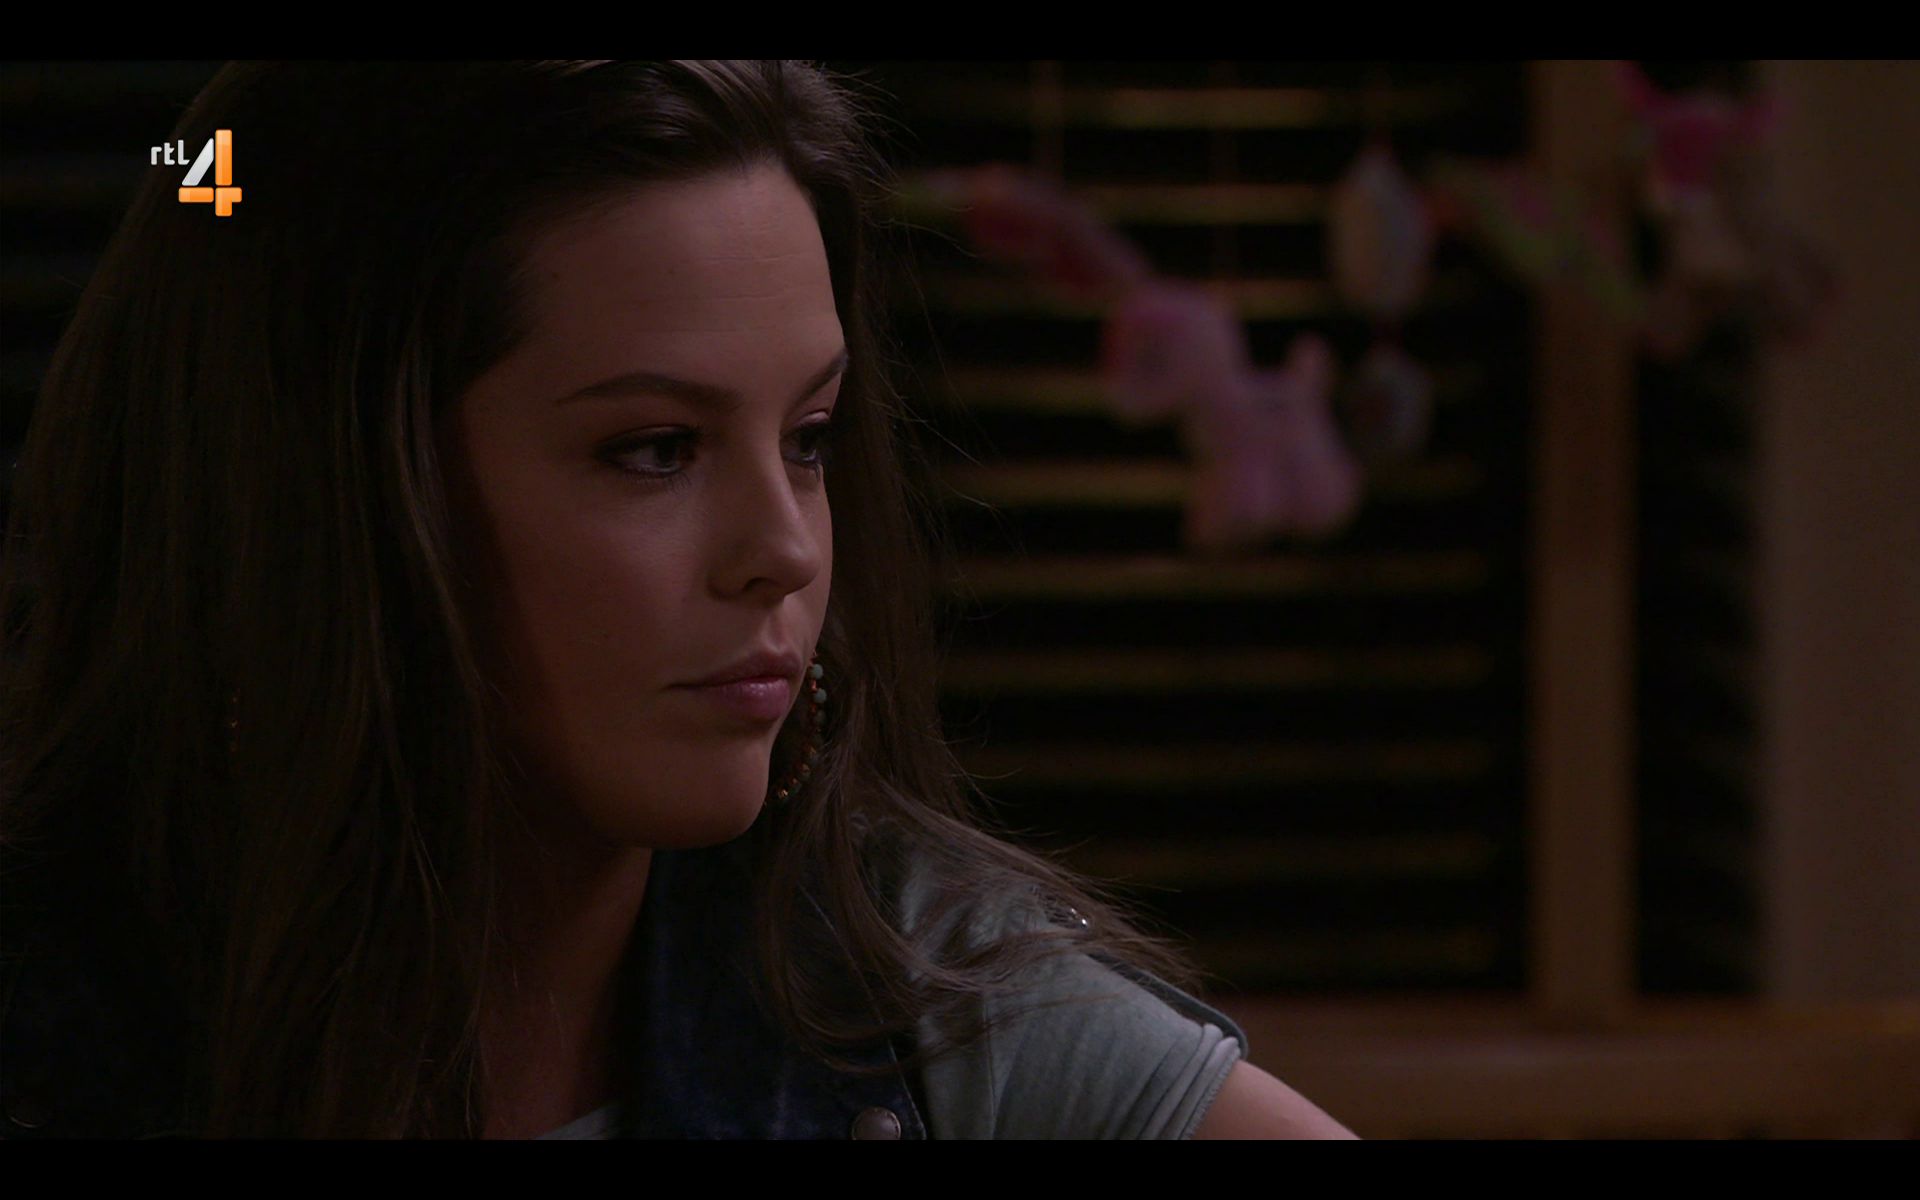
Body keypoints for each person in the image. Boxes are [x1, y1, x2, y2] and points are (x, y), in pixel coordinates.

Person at [0, 61, 1356, 1140]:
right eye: (655, 450)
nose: (786, 549)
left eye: (809, 439)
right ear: (330, 496)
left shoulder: (911, 1010)